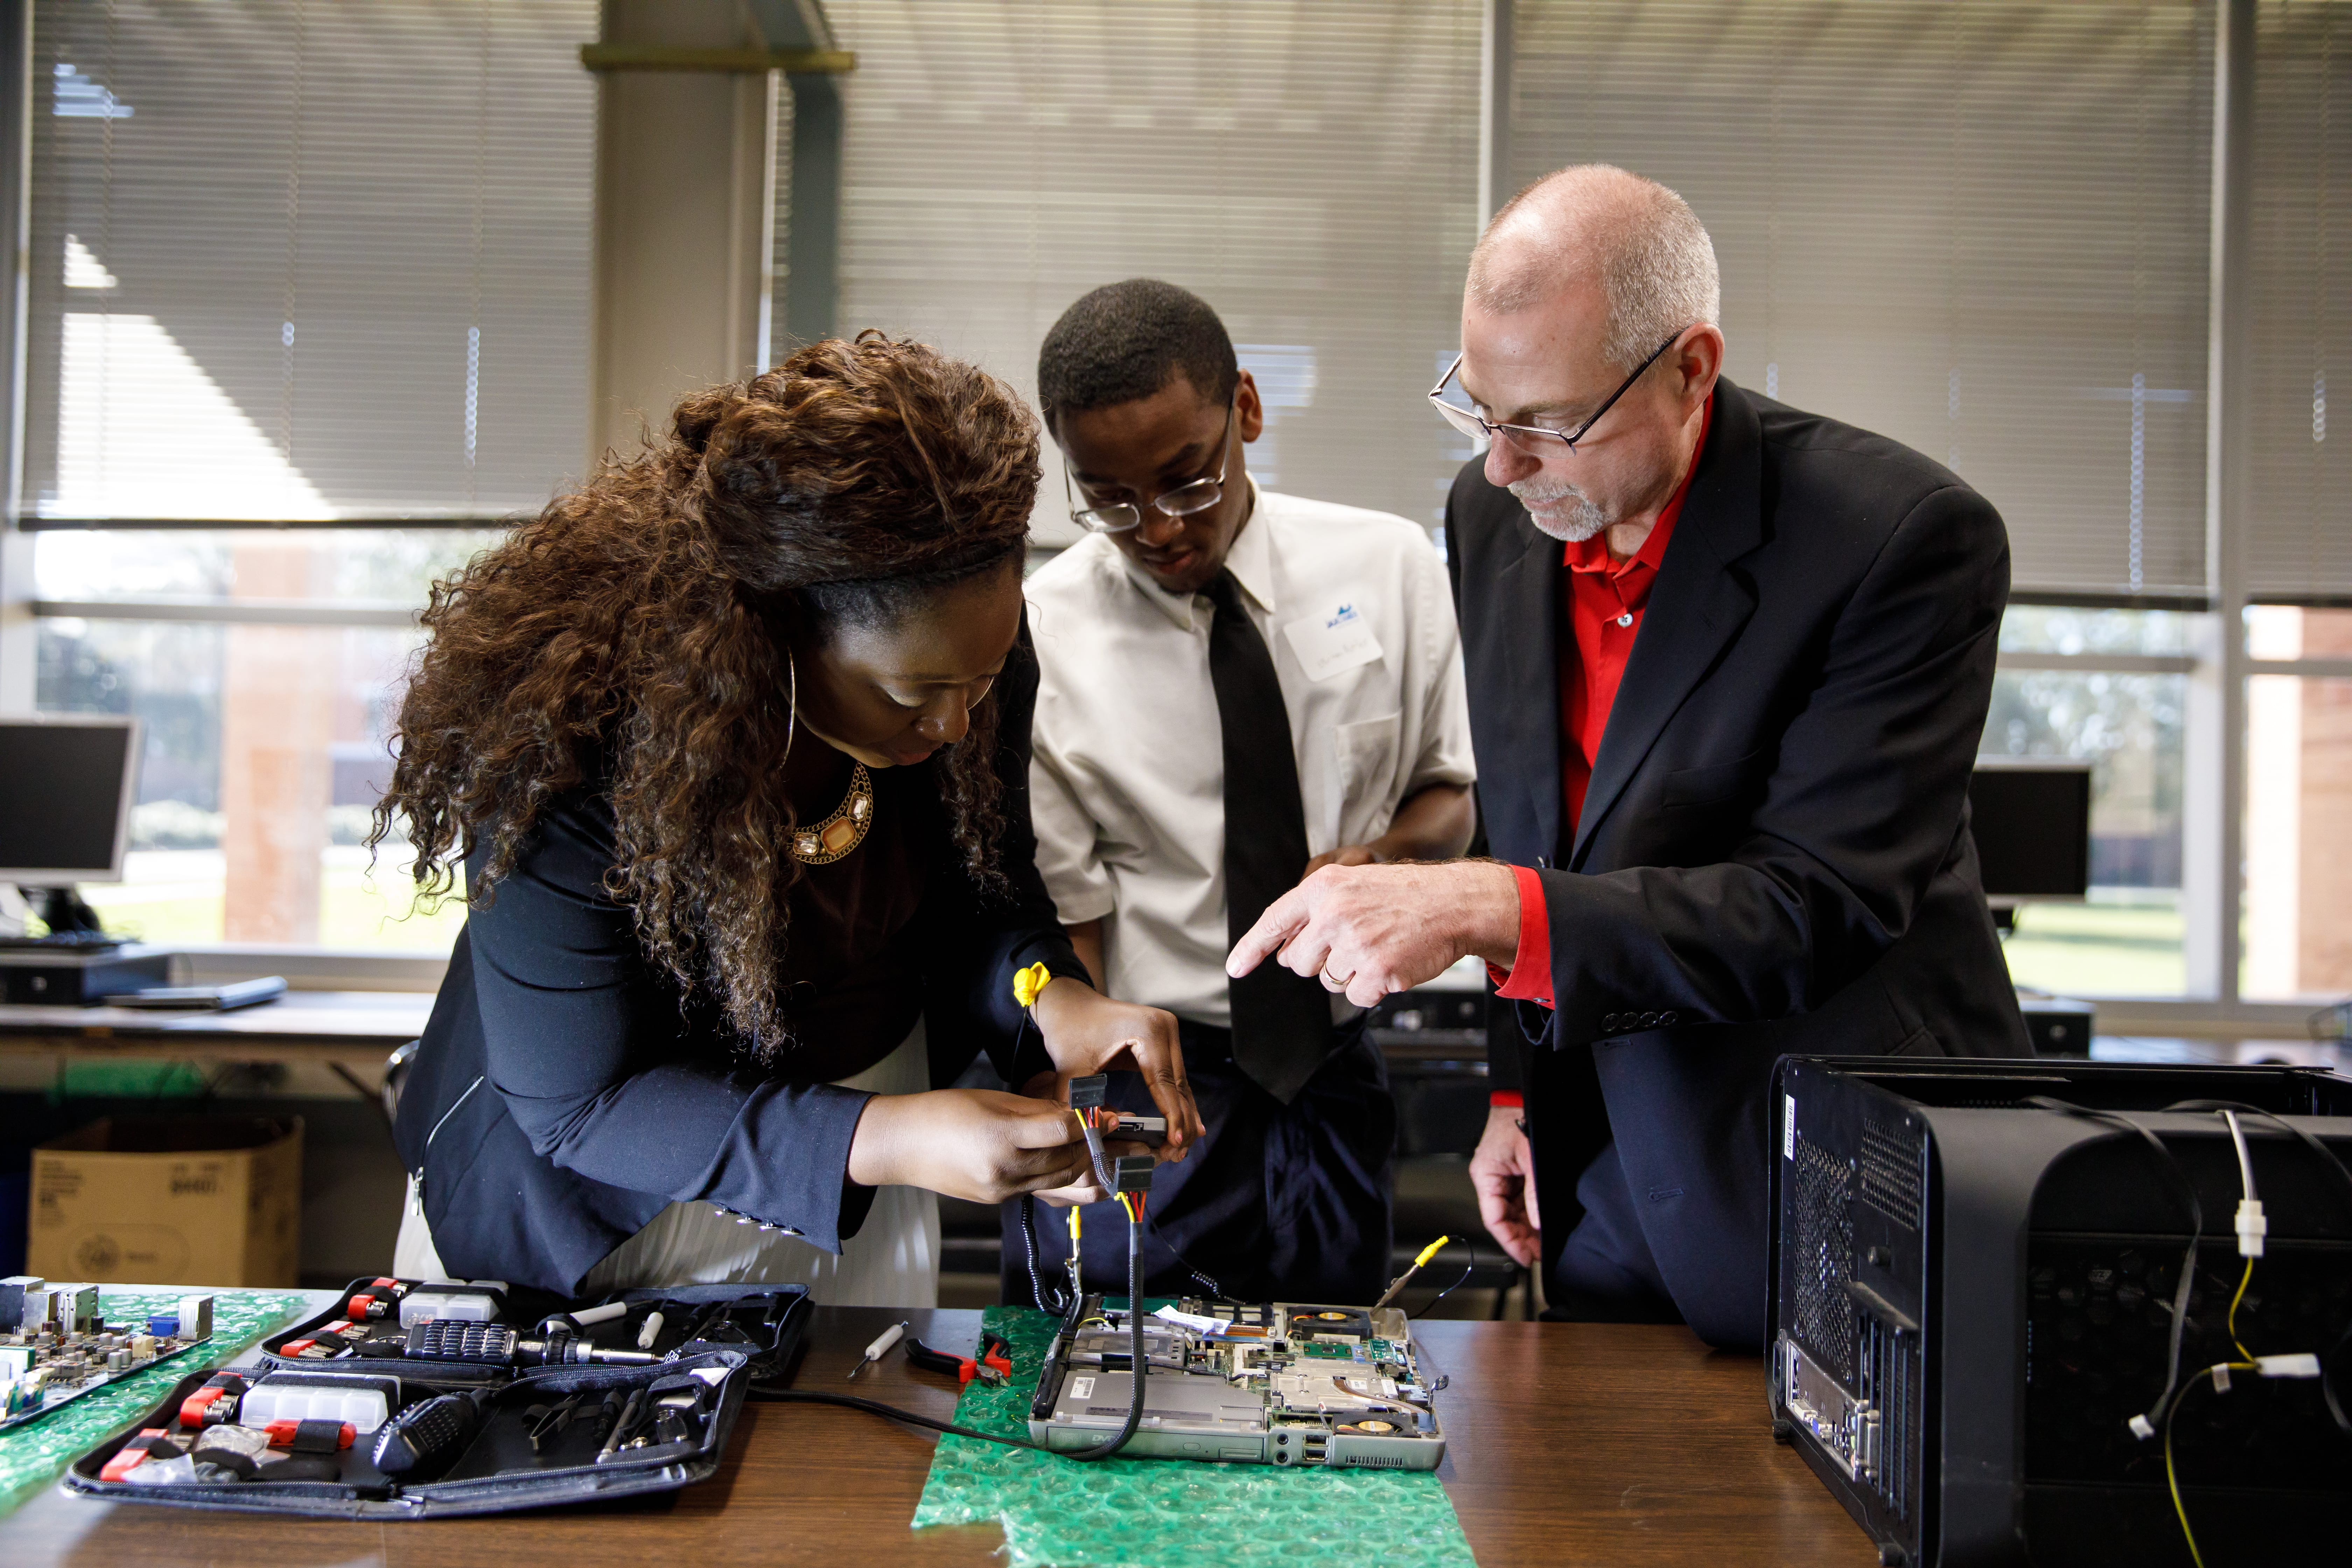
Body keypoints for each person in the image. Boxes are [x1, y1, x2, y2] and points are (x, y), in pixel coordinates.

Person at [1228, 167, 2028, 1347]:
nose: (1503, 464)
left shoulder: (1898, 539)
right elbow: (1532, 821)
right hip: (1597, 1167)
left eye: (1547, 423)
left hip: (1828, 1178)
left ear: (1691, 367)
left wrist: (1485, 905)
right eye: (1475, 409)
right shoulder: (1495, 512)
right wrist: (1514, 1093)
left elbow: (1815, 903)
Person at [378, 333, 1201, 1305]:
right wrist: (878, 1135)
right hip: (584, 1207)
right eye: (917, 694)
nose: (956, 724)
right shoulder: (573, 746)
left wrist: (1050, 999)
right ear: (772, 637)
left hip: (853, 1174)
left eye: (981, 681)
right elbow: (581, 1101)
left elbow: (986, 894)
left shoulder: (968, 660)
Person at [1008, 279, 1477, 1306]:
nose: (1157, 529)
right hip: (1155, 1083)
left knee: (1337, 1394)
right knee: (1115, 1395)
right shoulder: (1040, 632)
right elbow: (1069, 920)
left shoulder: (1389, 565)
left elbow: (1452, 798)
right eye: (1110, 499)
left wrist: (1382, 864)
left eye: (1185, 481)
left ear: (1247, 412)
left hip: (1335, 1069)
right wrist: (1069, 1116)